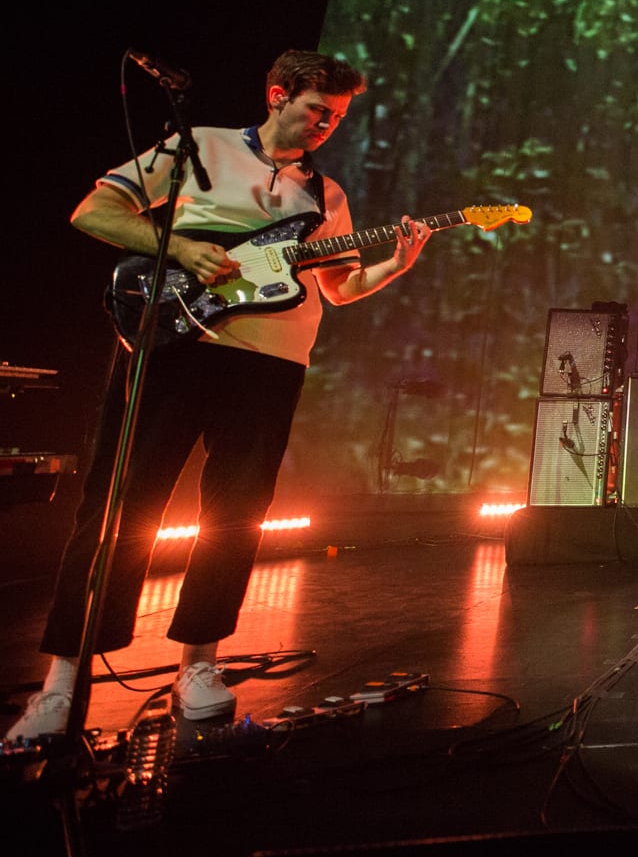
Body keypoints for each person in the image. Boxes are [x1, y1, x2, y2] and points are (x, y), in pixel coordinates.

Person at [6, 50, 434, 742]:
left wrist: (393, 264)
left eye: (338, 116)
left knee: (236, 514)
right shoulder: (199, 147)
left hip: (269, 367)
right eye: (316, 110)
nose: (327, 124)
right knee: (119, 504)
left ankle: (199, 665)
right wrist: (179, 250)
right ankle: (60, 685)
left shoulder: (323, 197)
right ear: (276, 95)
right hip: (177, 349)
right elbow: (96, 211)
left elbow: (340, 288)